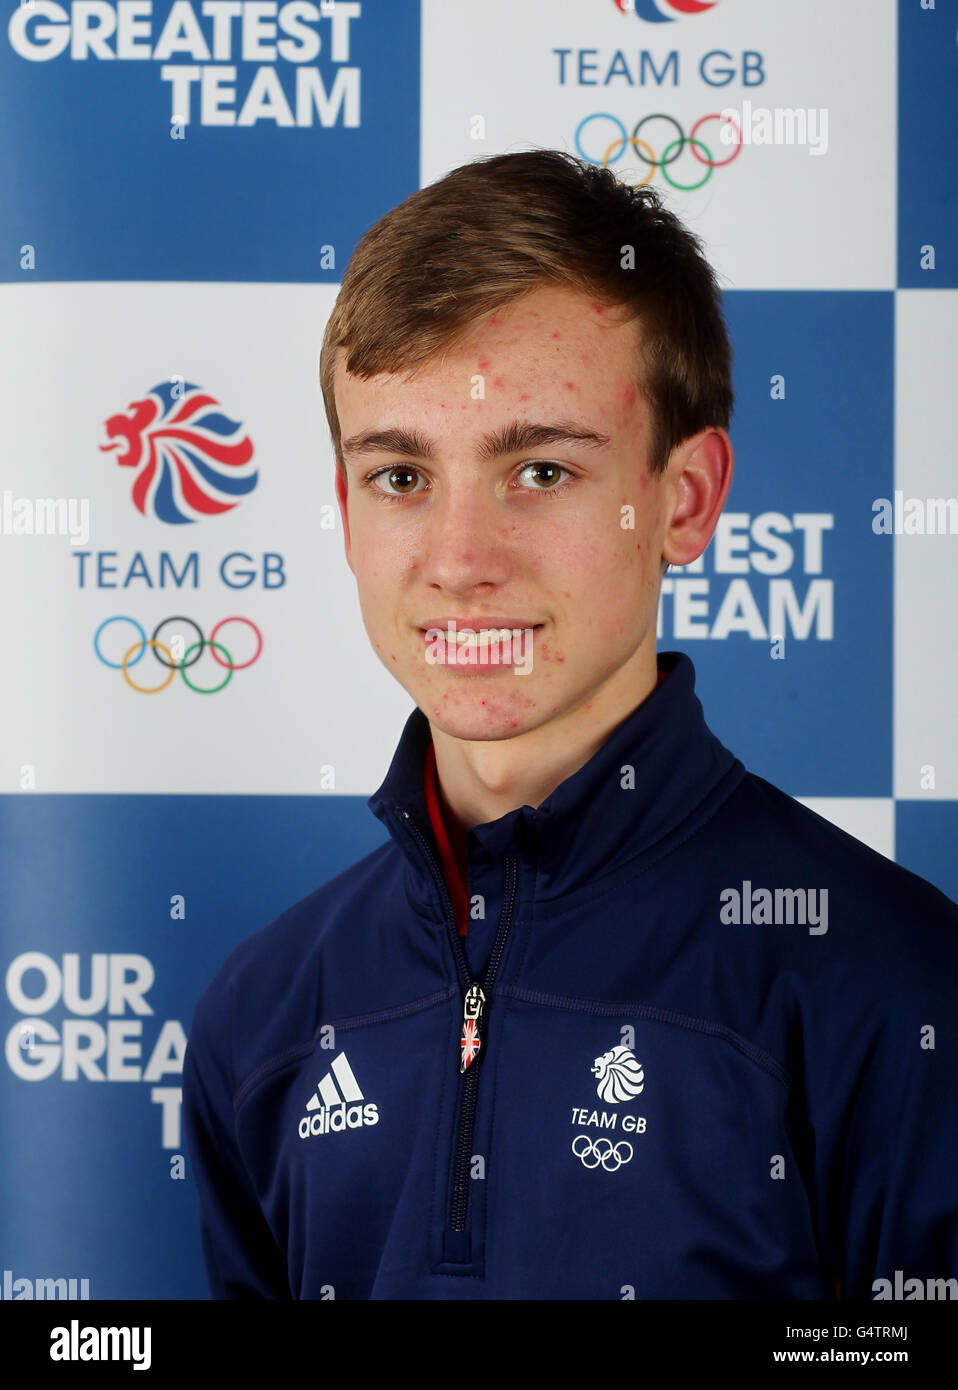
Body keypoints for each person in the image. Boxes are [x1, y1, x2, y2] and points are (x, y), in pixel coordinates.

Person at [182, 149, 958, 1300]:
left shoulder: (890, 982)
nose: (458, 563)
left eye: (539, 470)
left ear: (684, 500)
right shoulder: (265, 1005)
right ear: (345, 510)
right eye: (401, 476)